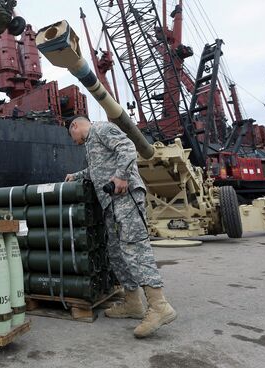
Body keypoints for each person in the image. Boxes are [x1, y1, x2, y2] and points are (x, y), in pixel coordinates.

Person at [64, 116, 177, 338]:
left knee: (134, 248)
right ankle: (133, 303)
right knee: (116, 253)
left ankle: (159, 306)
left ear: (75, 126)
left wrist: (122, 176)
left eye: (72, 136)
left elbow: (127, 147)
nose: (74, 141)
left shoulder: (102, 129)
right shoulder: (91, 145)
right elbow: (96, 171)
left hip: (125, 197)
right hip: (111, 204)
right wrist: (76, 176)